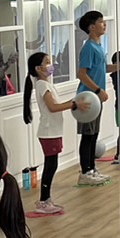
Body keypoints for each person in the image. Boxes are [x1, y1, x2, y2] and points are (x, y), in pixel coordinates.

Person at [22, 51, 76, 215]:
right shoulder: (42, 85)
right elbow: (53, 107)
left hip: (53, 131)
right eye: (47, 62)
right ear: (38, 68)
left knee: (52, 165)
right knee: (50, 166)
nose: (50, 65)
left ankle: (46, 200)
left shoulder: (46, 84)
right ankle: (43, 201)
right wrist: (73, 104)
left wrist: (72, 103)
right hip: (48, 132)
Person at [75, 10, 112, 186]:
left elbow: (103, 69)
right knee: (88, 136)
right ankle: (85, 172)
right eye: (100, 21)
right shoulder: (89, 47)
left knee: (94, 134)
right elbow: (82, 74)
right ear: (91, 27)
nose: (104, 24)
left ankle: (92, 168)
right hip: (87, 99)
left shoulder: (99, 47)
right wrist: (98, 90)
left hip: (96, 99)